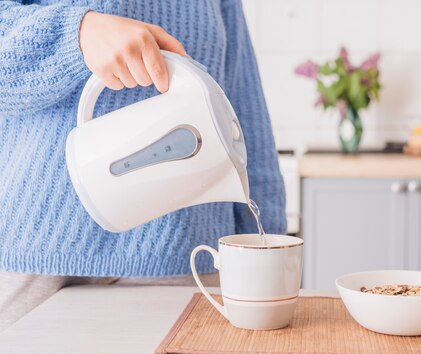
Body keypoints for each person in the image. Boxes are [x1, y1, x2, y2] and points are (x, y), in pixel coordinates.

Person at [0, 0, 286, 331]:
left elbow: (242, 111)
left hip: (189, 265)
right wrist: (77, 34)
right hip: (40, 264)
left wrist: (267, 253)